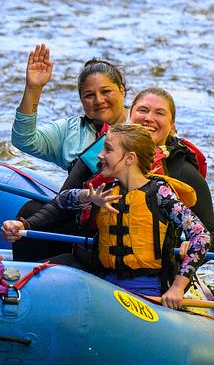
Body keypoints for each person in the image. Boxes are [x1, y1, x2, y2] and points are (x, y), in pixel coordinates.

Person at [3, 87, 214, 251]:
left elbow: (211, 233)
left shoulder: (181, 171)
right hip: (94, 244)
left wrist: (190, 246)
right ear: (130, 115)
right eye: (143, 110)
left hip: (149, 258)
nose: (149, 118)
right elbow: (63, 202)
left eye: (159, 113)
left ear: (172, 124)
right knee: (30, 211)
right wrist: (26, 225)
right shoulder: (101, 153)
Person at [44, 124, 211, 310]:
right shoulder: (106, 191)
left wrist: (177, 287)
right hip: (106, 286)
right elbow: (62, 200)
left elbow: (201, 236)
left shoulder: (160, 194)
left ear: (130, 158)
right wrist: (88, 197)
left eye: (108, 149)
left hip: (148, 290)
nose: (100, 155)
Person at [7, 46, 129, 260]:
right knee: (30, 210)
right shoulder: (72, 130)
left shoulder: (140, 128)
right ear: (82, 101)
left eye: (106, 91)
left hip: (123, 224)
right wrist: (33, 88)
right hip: (79, 218)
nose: (99, 100)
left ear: (122, 90)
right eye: (89, 95)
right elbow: (23, 139)